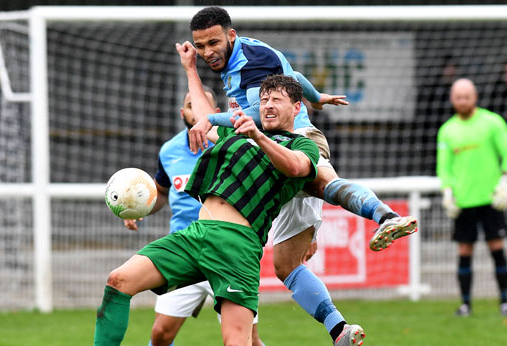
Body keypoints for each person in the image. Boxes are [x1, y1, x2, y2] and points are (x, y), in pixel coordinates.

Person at [176, 6, 417, 345]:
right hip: (274, 153)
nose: (207, 52)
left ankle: (385, 215)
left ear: (230, 36)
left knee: (323, 182)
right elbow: (296, 79)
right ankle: (340, 331)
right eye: (200, 46)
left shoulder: (251, 65)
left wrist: (209, 119)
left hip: (293, 140)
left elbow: (256, 119)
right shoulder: (246, 52)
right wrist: (317, 98)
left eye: (213, 43)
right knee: (286, 265)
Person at [93, 75, 322, 346]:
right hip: (196, 234)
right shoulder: (235, 133)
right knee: (118, 280)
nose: (268, 105)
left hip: (237, 246)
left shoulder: (302, 145)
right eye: (263, 100)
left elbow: (296, 167)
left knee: (238, 341)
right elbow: (205, 117)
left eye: (276, 100)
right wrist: (190, 68)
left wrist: (257, 135)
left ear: (296, 107)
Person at [123, 88, 264, 346]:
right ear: (182, 112)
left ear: (216, 113)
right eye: (190, 105)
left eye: (199, 105)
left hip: (226, 253)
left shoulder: (231, 146)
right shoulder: (169, 151)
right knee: (160, 334)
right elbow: (162, 193)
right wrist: (140, 208)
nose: (194, 110)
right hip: (184, 249)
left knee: (248, 340)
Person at [437, 78, 507, 317]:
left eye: (467, 97)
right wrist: (448, 192)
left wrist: (504, 183)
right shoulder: (447, 130)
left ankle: (504, 301)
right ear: (452, 99)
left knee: (497, 247)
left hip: (491, 199)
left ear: (475, 97)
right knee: (464, 251)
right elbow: (444, 167)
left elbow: (506, 153)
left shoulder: (493, 123)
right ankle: (466, 304)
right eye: (458, 97)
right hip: (463, 201)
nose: (463, 101)